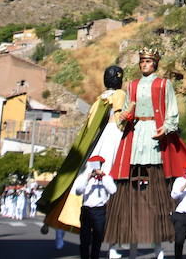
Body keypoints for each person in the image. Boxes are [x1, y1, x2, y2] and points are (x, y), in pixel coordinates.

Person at [107, 51, 186, 259]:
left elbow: (172, 109)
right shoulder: (132, 85)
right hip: (136, 132)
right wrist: (125, 116)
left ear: (155, 64)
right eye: (142, 62)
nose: (144, 65)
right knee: (129, 183)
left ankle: (158, 247)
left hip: (154, 131)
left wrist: (167, 126)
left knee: (155, 183)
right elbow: (125, 112)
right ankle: (129, 245)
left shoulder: (163, 84)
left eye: (148, 62)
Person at [39, 65, 127, 241]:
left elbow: (89, 126)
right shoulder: (120, 95)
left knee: (85, 173)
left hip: (95, 142)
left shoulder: (97, 100)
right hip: (113, 137)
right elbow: (119, 118)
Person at [73, 156, 117, 259]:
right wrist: (88, 178)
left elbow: (113, 190)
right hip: (86, 210)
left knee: (97, 239)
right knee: (84, 239)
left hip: (99, 211)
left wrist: (103, 176)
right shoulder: (84, 177)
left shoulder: (106, 178)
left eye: (98, 165)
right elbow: (78, 191)